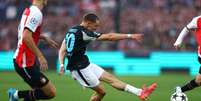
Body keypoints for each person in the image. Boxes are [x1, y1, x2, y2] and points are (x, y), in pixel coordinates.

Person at [59, 13, 157, 101]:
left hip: (85, 64)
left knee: (111, 78)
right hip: (79, 68)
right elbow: (109, 37)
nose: (96, 28)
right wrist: (129, 36)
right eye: (95, 26)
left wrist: (62, 64)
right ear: (88, 23)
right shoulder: (85, 33)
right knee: (102, 92)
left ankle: (140, 92)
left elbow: (62, 49)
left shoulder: (71, 31)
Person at [8, 0, 59, 101]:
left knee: (36, 93)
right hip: (24, 62)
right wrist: (40, 56)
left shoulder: (29, 10)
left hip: (27, 60)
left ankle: (15, 95)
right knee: (50, 92)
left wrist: (43, 37)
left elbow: (25, 33)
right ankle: (15, 95)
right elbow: (26, 36)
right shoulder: (36, 13)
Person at [174, 15, 201, 94]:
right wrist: (178, 41)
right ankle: (180, 90)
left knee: (198, 81)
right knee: (199, 81)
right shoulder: (198, 20)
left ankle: (180, 90)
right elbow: (187, 28)